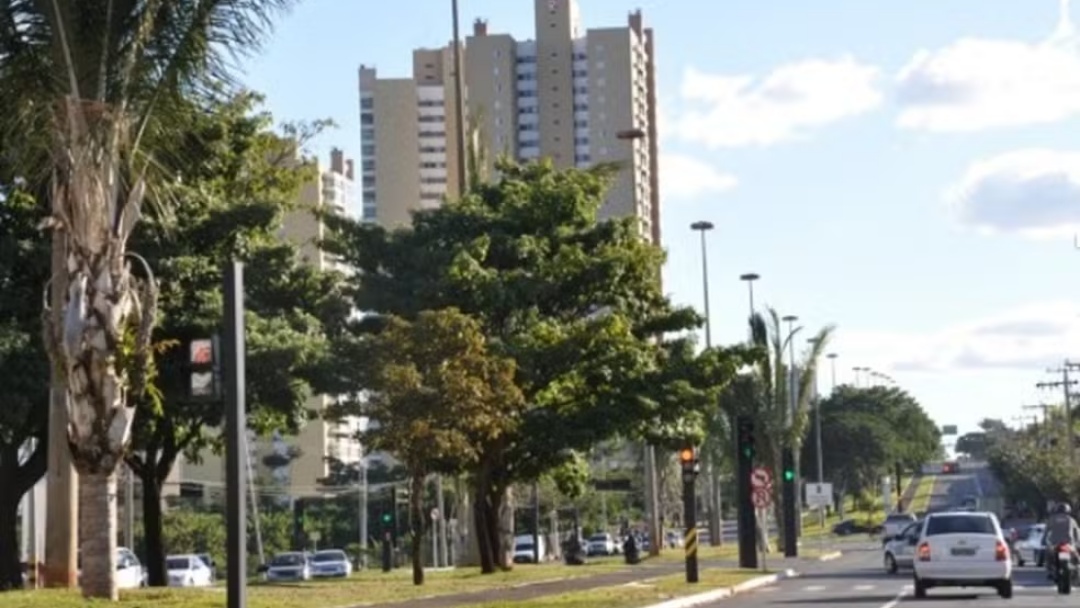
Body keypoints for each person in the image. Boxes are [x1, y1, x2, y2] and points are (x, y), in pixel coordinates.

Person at [1045, 503, 1080, 579]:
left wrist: (1044, 540)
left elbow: (1046, 531)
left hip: (1055, 544)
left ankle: (1050, 571)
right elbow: (1077, 532)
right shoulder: (1071, 520)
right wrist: (1077, 542)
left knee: (1049, 556)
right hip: (1069, 544)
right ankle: (1077, 571)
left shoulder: (1052, 519)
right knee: (1076, 557)